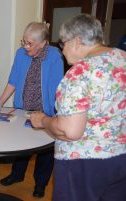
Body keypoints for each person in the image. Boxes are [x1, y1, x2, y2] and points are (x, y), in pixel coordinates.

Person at [31, 14, 126, 201]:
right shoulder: (122, 57)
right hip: (121, 158)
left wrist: (43, 120)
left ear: (77, 41)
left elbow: (70, 131)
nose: (62, 51)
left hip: (84, 164)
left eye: (62, 44)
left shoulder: (81, 72)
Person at [0, 22, 64, 198]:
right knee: (20, 144)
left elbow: (57, 87)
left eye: (30, 43)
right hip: (23, 108)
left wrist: (55, 114)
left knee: (45, 151)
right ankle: (16, 175)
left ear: (43, 43)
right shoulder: (21, 54)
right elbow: (13, 80)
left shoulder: (54, 56)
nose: (25, 46)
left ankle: (40, 183)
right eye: (24, 42)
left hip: (45, 111)